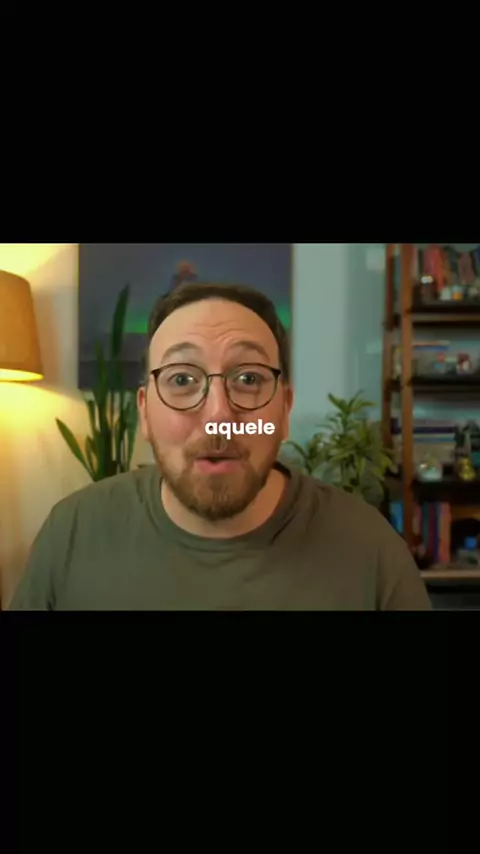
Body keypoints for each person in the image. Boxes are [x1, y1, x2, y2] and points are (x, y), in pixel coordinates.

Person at [9, 282, 432, 610]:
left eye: (248, 379)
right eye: (181, 379)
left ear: (284, 410)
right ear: (145, 412)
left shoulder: (371, 550)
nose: (218, 416)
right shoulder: (72, 532)